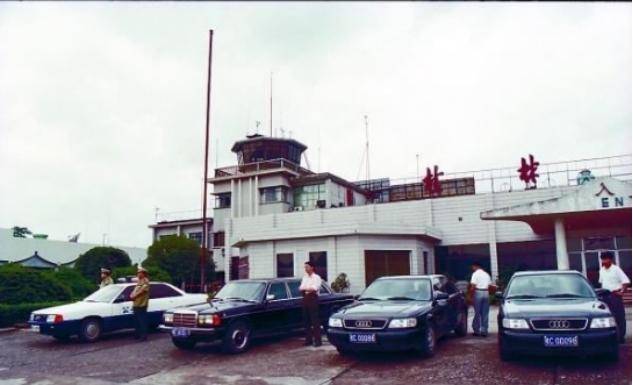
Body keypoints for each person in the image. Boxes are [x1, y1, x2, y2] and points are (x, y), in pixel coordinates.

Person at [598, 251, 630, 343]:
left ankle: (621, 338)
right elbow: (601, 283)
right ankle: (610, 338)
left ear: (610, 259)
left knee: (619, 317)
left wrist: (622, 292)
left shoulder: (616, 269)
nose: (603, 261)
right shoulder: (602, 270)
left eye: (605, 259)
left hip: (614, 296)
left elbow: (626, 282)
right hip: (604, 297)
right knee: (608, 317)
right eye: (602, 259)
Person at [299, 261, 322, 347]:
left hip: (313, 299)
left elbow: (315, 288)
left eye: (307, 267)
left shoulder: (316, 277)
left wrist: (306, 289)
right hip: (305, 298)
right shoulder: (305, 277)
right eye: (305, 267)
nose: (305, 269)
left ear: (312, 267)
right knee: (306, 320)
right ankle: (308, 340)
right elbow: (301, 288)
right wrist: (307, 289)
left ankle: (318, 341)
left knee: (315, 321)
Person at [469, 261, 492, 337]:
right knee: (485, 313)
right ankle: (484, 331)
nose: (472, 268)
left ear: (476, 266)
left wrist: (470, 296)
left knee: (477, 312)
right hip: (486, 292)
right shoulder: (486, 274)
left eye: (473, 267)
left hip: (478, 292)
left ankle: (476, 330)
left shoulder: (475, 274)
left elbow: (473, 286)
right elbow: (490, 286)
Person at [129, 266, 150, 341]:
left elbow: (142, 291)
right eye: (138, 273)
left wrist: (134, 296)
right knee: (137, 321)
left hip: (142, 304)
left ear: (143, 274)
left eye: (139, 272)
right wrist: (131, 295)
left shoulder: (145, 281)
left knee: (142, 321)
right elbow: (135, 290)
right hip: (136, 303)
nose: (138, 274)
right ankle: (137, 335)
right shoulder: (139, 281)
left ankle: (143, 336)